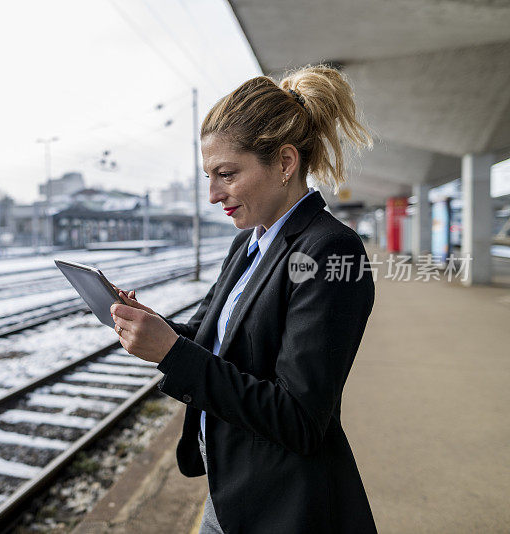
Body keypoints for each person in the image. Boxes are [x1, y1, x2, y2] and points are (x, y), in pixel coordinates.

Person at [109, 65, 378, 533]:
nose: (213, 195)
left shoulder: (329, 249)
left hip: (285, 506)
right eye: (209, 177)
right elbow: (214, 338)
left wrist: (171, 353)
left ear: (285, 163)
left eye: (227, 174)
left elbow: (299, 417)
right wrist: (158, 327)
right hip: (229, 487)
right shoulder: (249, 243)